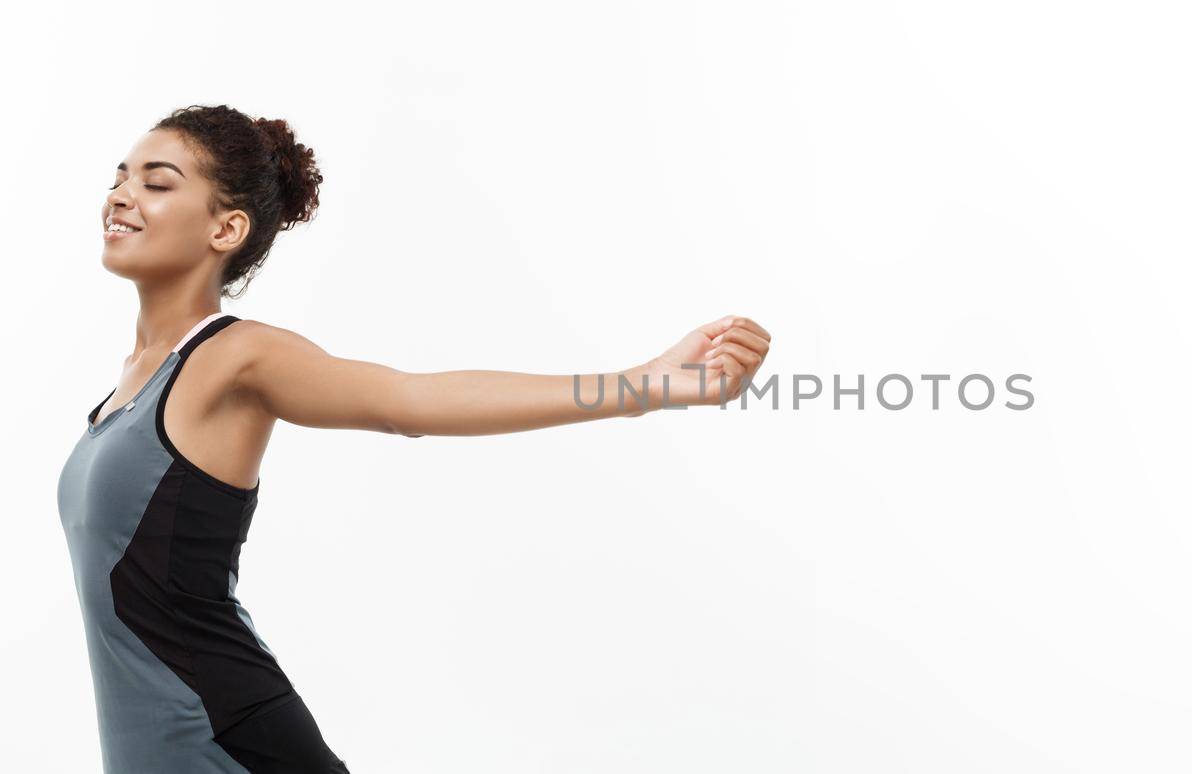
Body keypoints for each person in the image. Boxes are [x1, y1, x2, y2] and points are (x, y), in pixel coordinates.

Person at [57, 104, 772, 774]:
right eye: (120, 176)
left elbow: (410, 399)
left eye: (156, 182)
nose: (121, 194)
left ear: (227, 230)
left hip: (228, 739)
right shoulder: (127, 384)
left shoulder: (234, 357)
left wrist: (641, 386)